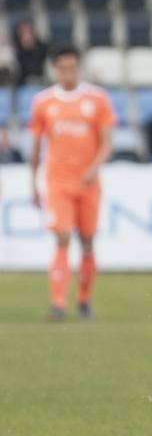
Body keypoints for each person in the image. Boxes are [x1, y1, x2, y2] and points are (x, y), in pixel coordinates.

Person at [28, 45, 115, 320]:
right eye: (63, 68)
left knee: (87, 242)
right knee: (62, 237)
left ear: (79, 68)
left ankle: (84, 300)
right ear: (55, 69)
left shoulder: (97, 99)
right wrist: (33, 182)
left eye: (73, 67)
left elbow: (107, 143)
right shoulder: (43, 102)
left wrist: (94, 167)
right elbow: (35, 146)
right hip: (58, 182)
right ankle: (58, 304)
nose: (68, 72)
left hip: (89, 183)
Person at [14, 20, 48, 86]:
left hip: (41, 78)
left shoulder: (42, 46)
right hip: (21, 81)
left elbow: (42, 61)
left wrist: (31, 46)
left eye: (28, 32)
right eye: (24, 32)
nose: (27, 35)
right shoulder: (16, 47)